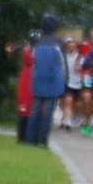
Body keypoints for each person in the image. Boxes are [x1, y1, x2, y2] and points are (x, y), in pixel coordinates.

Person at [27, 13, 65, 147]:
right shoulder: (59, 43)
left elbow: (32, 59)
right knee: (48, 112)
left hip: (38, 78)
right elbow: (63, 64)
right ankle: (43, 140)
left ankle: (30, 139)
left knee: (35, 109)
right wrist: (65, 83)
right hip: (54, 80)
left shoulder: (37, 42)